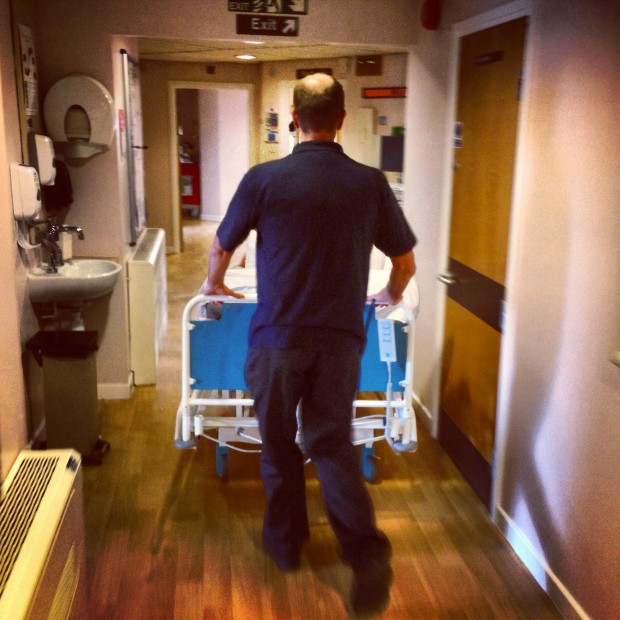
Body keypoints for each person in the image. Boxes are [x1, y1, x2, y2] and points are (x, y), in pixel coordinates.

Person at [202, 72, 416, 616]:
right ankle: (366, 556)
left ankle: (286, 545)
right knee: (332, 446)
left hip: (277, 340)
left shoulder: (263, 179)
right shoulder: (370, 183)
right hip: (339, 344)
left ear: (295, 119)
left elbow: (221, 246)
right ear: (341, 120)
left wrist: (214, 284)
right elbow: (405, 263)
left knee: (278, 446)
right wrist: (389, 295)